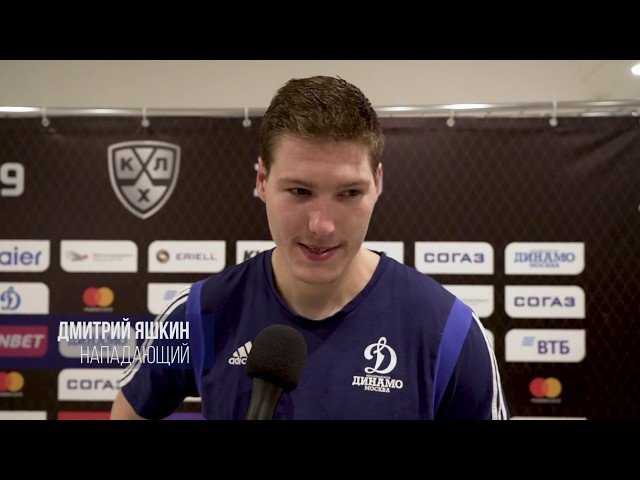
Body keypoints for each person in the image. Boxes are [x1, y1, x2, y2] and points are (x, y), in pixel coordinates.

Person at [111, 75, 509, 420]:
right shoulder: (200, 313)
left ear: (378, 183)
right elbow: (129, 410)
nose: (322, 225)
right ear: (263, 181)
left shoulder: (449, 332)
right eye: (300, 191)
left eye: (349, 193)